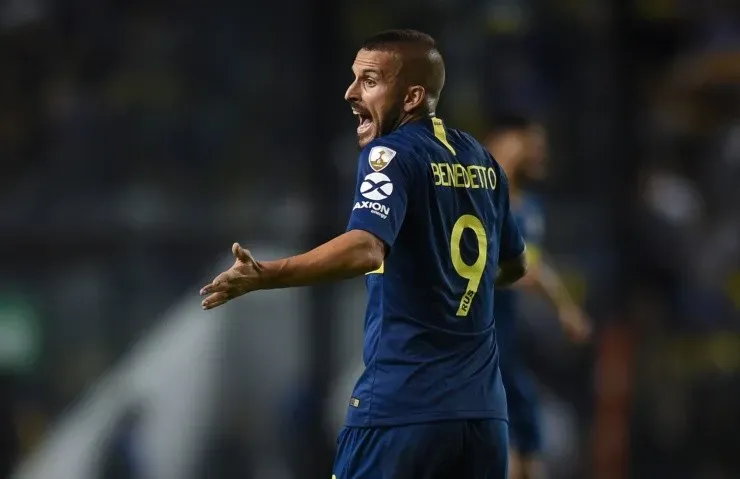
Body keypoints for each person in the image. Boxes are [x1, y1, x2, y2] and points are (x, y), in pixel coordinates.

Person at [200, 29, 528, 478]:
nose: (350, 92)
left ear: (412, 97)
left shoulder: (390, 154)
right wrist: (452, 287)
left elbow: (366, 248)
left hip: (402, 408)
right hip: (483, 417)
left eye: (369, 81)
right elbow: (513, 265)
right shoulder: (483, 162)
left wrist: (267, 274)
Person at [485, 116, 591, 479]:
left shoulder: (529, 208)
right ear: (504, 140)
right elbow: (523, 269)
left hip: (508, 350)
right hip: (474, 350)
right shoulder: (474, 199)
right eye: (532, 144)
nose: (539, 154)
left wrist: (565, 308)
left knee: (530, 452)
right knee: (505, 456)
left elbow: (531, 263)